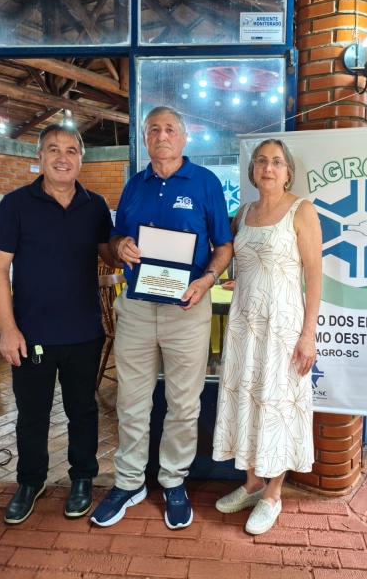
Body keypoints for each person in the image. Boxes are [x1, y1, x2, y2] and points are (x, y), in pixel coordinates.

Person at [91, 106, 233, 530]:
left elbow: (224, 245)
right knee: (131, 402)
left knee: (183, 404)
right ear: (145, 138)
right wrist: (120, 244)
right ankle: (129, 482)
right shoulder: (134, 185)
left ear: (184, 138)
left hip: (185, 309)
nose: (161, 135)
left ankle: (173, 480)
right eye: (153, 129)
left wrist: (206, 280)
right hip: (137, 308)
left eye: (170, 129)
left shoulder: (205, 183)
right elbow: (115, 237)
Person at [0, 124, 115, 525]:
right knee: (32, 414)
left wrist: (132, 244)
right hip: (31, 334)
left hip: (84, 331)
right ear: (39, 157)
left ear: (81, 159)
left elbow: (110, 256)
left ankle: (83, 478)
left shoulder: (95, 205)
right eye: (54, 149)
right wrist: (7, 329)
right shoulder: (15, 205)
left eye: (72, 150)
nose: (63, 157)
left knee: (83, 411)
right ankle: (30, 482)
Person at [212, 138, 322, 535]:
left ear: (288, 170)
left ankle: (273, 494)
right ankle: (252, 483)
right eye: (261, 161)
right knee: (249, 399)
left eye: (276, 161)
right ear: (252, 170)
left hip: (283, 328)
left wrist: (308, 334)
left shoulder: (302, 210)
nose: (268, 168)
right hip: (245, 325)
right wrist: (237, 278)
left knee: (277, 405)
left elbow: (313, 275)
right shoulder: (243, 213)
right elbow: (236, 258)